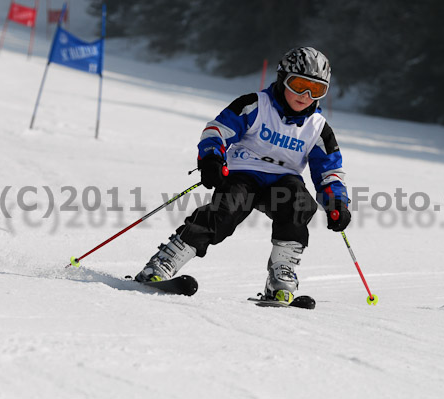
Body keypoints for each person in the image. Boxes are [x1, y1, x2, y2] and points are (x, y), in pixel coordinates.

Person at [135, 47, 351, 303]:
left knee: (299, 203)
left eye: (315, 90)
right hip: (244, 174)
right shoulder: (255, 105)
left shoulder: (318, 129)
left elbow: (329, 170)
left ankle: (281, 277)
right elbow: (218, 130)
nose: (305, 95)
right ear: (283, 79)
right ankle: (163, 263)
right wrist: (212, 158)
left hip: (283, 182)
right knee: (225, 212)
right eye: (299, 85)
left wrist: (336, 201)